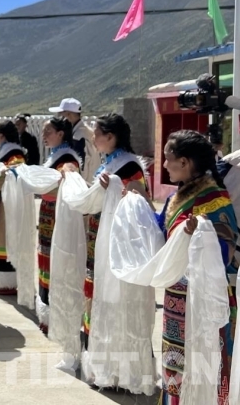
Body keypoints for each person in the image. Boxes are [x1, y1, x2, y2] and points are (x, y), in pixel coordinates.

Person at [157, 130, 238, 403]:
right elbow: (161, 232)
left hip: (203, 300)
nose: (164, 164)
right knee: (176, 363)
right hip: (177, 297)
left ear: (185, 162)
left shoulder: (215, 200)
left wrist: (200, 236)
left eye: (168, 158)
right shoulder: (177, 197)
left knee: (203, 363)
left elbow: (226, 252)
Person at [84, 113, 150, 342]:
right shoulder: (109, 162)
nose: (93, 139)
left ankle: (113, 346)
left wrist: (112, 189)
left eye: (96, 134)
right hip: (99, 235)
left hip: (116, 239)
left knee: (113, 292)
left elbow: (137, 202)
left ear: (110, 137)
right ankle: (94, 343)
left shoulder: (129, 166)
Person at [36, 117, 81, 333]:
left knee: (57, 260)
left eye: (48, 131)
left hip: (58, 216)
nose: (44, 136)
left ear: (60, 134)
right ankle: (47, 313)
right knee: (46, 259)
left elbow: (68, 174)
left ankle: (58, 315)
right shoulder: (55, 156)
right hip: (49, 213)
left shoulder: (67, 159)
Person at [0, 121, 26, 296]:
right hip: (0, 202)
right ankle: (1, 280)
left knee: (4, 239)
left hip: (6, 205)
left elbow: (16, 172)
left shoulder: (15, 154)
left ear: (1, 136)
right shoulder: (5, 153)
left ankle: (7, 282)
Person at [49, 98, 98, 180]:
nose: (58, 116)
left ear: (68, 114)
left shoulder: (78, 137)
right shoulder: (85, 130)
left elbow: (81, 166)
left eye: (61, 113)